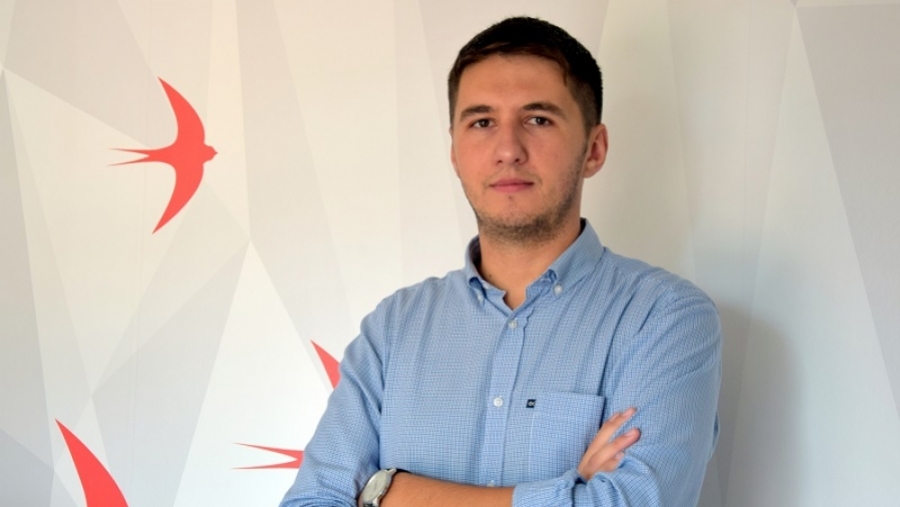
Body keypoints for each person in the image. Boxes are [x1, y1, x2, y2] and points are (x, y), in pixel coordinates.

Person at [280, 16, 721, 507]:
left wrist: (388, 493)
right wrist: (568, 491)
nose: (508, 149)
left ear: (593, 150)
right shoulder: (394, 328)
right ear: (454, 150)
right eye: (482, 122)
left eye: (538, 119)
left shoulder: (663, 318)